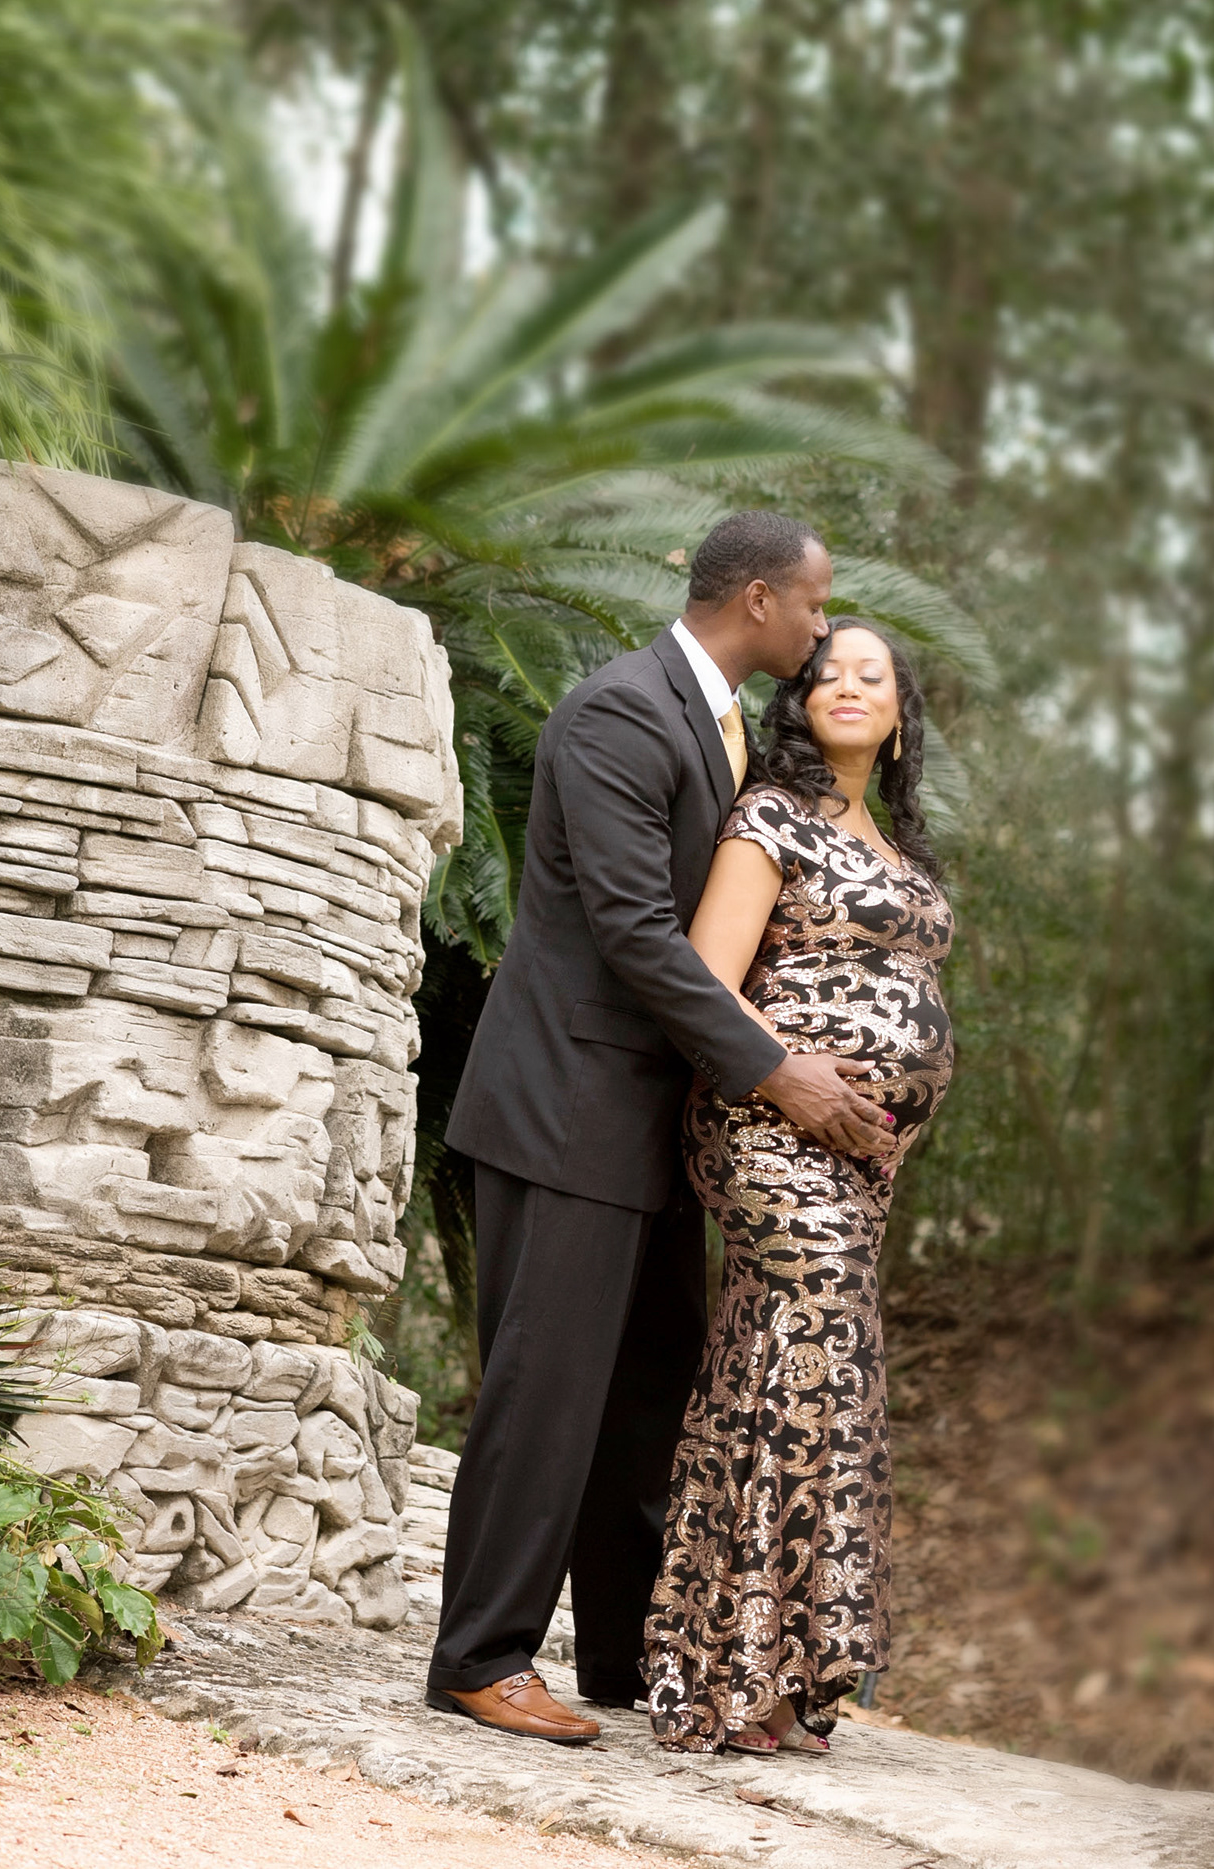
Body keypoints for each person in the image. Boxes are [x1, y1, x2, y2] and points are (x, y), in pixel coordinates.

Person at [425, 513, 894, 1745]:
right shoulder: (620, 713)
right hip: (567, 1109)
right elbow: (635, 930)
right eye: (814, 603)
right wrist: (777, 1072)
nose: (823, 626)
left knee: (645, 1399)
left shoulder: (725, 727)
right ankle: (481, 1656)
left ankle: (630, 1658)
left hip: (654, 1128)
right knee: (544, 1391)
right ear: (757, 599)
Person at [644, 616, 954, 1755]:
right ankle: (746, 1668)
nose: (848, 684)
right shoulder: (769, 816)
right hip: (766, 1123)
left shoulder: (902, 848)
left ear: (902, 713)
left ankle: (741, 1663)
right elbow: (703, 979)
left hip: (862, 1160)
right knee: (814, 1350)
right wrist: (793, 1079)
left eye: (874, 674)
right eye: (829, 672)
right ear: (801, 701)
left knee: (780, 1363)